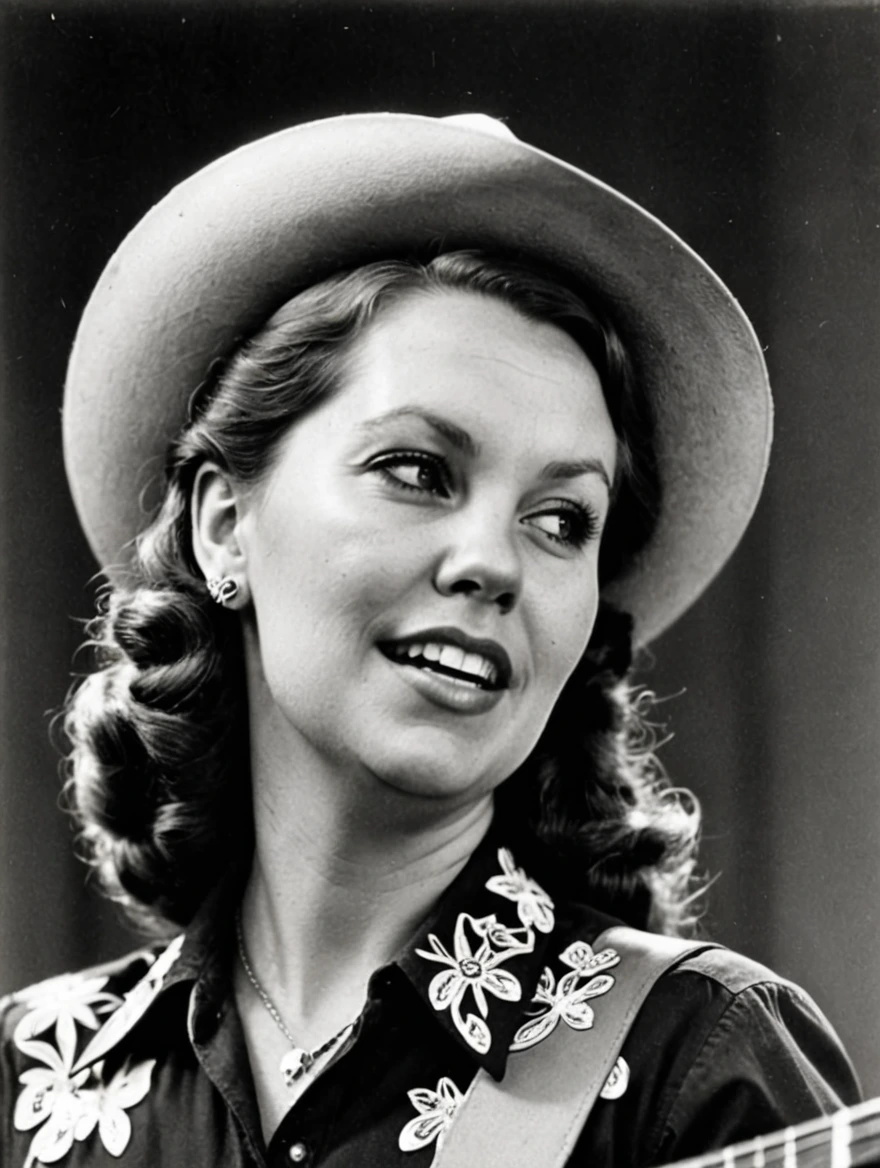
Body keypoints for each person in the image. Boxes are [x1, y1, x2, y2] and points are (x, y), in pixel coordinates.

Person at [0, 113, 860, 1168]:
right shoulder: (24, 1083)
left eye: (560, 520)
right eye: (417, 470)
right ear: (226, 522)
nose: (493, 562)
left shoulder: (699, 1060)